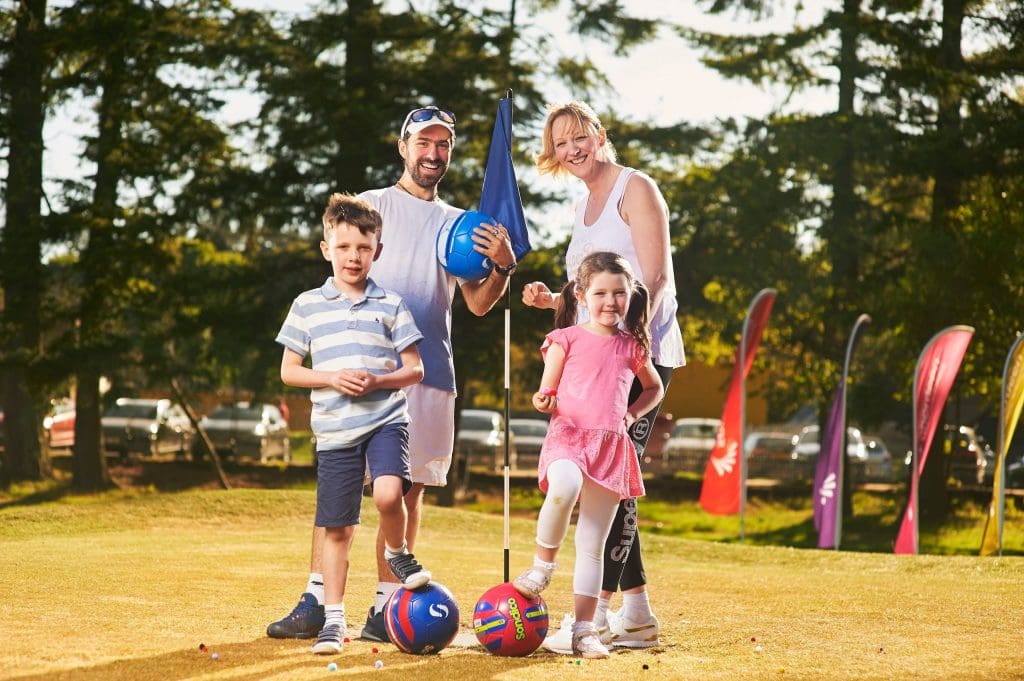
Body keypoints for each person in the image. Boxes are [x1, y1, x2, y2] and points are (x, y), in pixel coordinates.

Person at [267, 106, 517, 642]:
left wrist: (501, 266)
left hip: (426, 374)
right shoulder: (370, 206)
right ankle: (315, 600)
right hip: (359, 373)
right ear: (403, 147)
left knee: (407, 491)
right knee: (339, 488)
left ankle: (385, 610)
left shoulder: (460, 224)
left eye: (443, 145)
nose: (432, 154)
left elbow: (476, 304)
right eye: (423, 143)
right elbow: (339, 284)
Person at [522, 101, 686, 651]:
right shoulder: (582, 205)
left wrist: (633, 342)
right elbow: (585, 294)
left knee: (608, 481)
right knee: (609, 482)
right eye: (561, 142)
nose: (573, 148)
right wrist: (555, 300)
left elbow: (656, 279)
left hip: (638, 360)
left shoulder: (634, 189)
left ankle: (592, 619)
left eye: (580, 136)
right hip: (593, 364)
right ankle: (635, 614)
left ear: (599, 135)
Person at [276, 193, 431, 655]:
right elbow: (289, 370)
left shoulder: (392, 304)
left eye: (363, 248)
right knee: (337, 528)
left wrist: (379, 380)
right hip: (335, 431)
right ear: (327, 249)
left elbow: (415, 369)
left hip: (386, 419)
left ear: (377, 251)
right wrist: (331, 377)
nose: (353, 257)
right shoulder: (307, 305)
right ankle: (334, 619)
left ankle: (398, 554)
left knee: (388, 494)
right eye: (343, 248)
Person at [512, 251, 664, 660]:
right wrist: (543, 399)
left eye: (619, 293)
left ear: (631, 296)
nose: (610, 301)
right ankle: (542, 566)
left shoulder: (633, 347)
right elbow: (547, 390)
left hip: (612, 447)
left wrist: (633, 413)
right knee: (563, 485)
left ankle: (584, 630)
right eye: (600, 293)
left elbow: (654, 389)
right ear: (581, 294)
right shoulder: (565, 339)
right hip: (568, 436)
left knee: (593, 544)